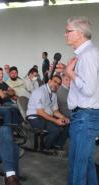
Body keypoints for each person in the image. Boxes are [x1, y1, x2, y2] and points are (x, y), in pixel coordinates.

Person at [64, 16, 99, 185]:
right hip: (84, 116)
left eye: (68, 31)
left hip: (86, 116)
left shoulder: (88, 55)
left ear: (80, 33)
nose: (65, 34)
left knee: (78, 164)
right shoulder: (86, 54)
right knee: (85, 163)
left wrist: (71, 74)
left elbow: (89, 89)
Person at [26, 75, 69, 150]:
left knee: (66, 124)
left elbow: (55, 111)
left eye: (59, 84)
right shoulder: (40, 91)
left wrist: (63, 118)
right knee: (56, 129)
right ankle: (45, 147)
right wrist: (56, 121)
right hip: (35, 117)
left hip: (44, 116)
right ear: (49, 81)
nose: (56, 85)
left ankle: (57, 145)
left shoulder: (54, 94)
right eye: (55, 82)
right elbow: (40, 112)